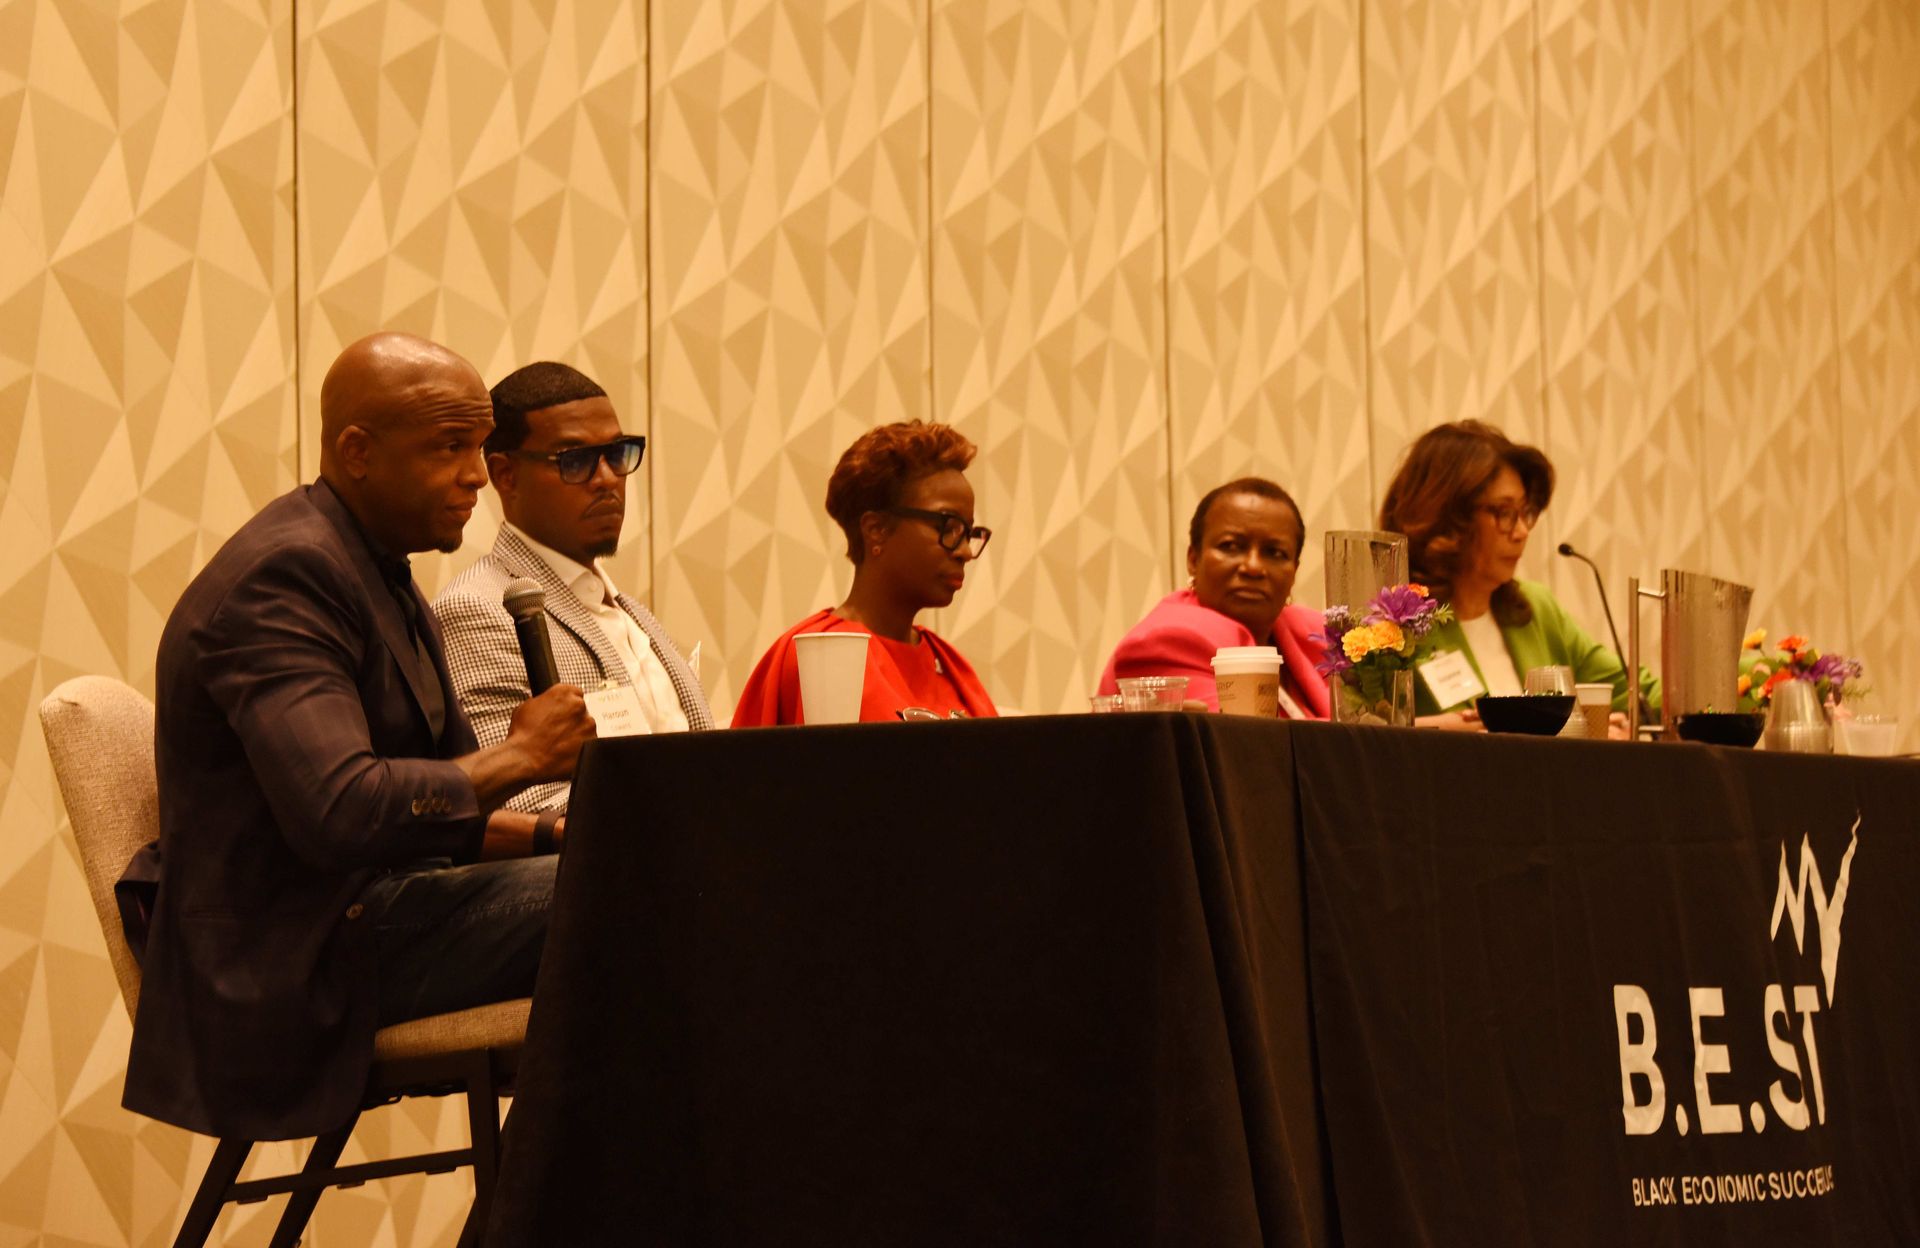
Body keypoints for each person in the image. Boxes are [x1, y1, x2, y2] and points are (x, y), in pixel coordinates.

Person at [124, 333, 596, 1142]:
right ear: (357, 451)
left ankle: (580, 1190)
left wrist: (553, 833)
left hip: (369, 913)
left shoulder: (374, 566)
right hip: (294, 960)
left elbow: (429, 810)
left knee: (630, 868)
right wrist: (522, 756)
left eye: (480, 447)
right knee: (636, 892)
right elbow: (343, 810)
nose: (477, 475)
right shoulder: (285, 577)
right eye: (449, 447)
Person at [436, 362, 713, 817]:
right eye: (576, 460)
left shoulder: (632, 614)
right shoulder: (479, 608)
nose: (607, 479)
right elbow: (512, 802)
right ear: (505, 475)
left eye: (617, 454)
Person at [1376, 420, 1653, 730]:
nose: (1521, 532)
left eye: (1525, 512)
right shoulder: (1396, 628)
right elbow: (1365, 731)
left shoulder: (1536, 610)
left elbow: (1643, 697)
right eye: (1505, 513)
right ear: (1448, 517)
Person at [732, 420, 997, 724]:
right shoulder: (812, 656)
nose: (965, 552)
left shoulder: (952, 667)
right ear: (876, 530)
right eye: (948, 527)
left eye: (968, 533)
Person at [1097, 478, 1329, 716]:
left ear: (1294, 571)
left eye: (1275, 553)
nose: (1253, 567)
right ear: (1193, 560)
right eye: (1231, 546)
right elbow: (1246, 735)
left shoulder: (1317, 637)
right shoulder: (1171, 641)